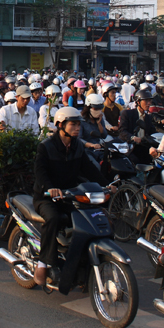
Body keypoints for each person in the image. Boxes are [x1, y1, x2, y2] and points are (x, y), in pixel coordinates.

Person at [32, 107, 110, 286]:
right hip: (46, 197)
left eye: (78, 124)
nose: (77, 128)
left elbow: (89, 169)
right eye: (73, 124)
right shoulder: (46, 146)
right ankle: (43, 263)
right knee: (53, 218)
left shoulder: (78, 146)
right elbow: (40, 172)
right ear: (60, 125)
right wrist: (50, 188)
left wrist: (106, 185)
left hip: (69, 196)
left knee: (87, 217)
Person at [118, 89, 157, 165]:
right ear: (138, 102)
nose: (149, 103)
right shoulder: (127, 114)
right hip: (130, 147)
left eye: (150, 101)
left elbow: (153, 132)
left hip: (144, 147)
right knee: (135, 161)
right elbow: (122, 131)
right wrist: (133, 137)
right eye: (146, 101)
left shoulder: (148, 117)